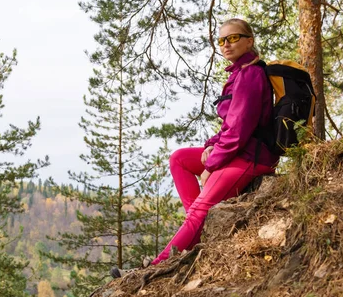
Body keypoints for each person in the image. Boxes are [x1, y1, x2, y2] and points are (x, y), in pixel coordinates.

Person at [111, 18, 279, 278]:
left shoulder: (250, 74)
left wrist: (211, 166)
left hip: (251, 157)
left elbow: (238, 132)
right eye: (222, 40)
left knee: (201, 206)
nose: (226, 44)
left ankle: (160, 264)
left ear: (250, 41)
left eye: (233, 38)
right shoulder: (238, 73)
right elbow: (229, 125)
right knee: (180, 159)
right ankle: (198, 229)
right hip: (239, 151)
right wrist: (211, 146)